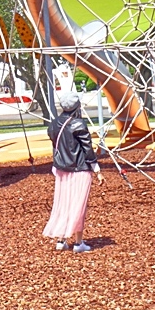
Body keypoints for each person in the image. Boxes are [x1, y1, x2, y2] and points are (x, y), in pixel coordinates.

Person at [43, 94, 103, 254]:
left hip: (62, 169)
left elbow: (54, 139)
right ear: (77, 107)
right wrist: (96, 169)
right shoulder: (79, 124)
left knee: (64, 203)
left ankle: (61, 240)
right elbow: (87, 149)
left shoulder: (54, 124)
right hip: (79, 169)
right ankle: (78, 243)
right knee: (78, 205)